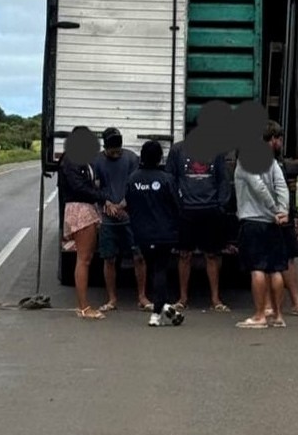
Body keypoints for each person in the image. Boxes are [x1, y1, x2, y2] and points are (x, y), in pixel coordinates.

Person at [233, 129, 291, 328]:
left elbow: (257, 187)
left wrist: (274, 209)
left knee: (256, 268)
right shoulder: (272, 162)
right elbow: (282, 186)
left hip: (253, 221)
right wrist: (283, 210)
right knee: (275, 269)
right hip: (273, 223)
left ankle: (259, 316)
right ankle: (277, 315)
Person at [165, 140, 232, 312]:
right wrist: (177, 203)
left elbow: (223, 179)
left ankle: (216, 299)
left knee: (211, 255)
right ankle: (182, 298)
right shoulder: (178, 150)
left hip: (210, 209)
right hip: (186, 210)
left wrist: (220, 205)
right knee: (184, 254)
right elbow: (170, 177)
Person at [125, 141, 185, 327]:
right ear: (160, 157)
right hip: (165, 233)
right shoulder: (167, 179)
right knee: (160, 270)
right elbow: (177, 205)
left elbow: (129, 204)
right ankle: (156, 313)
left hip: (142, 233)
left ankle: (165, 308)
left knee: (154, 270)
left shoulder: (133, 179)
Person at [92, 127, 152, 312]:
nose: (116, 153)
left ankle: (142, 296)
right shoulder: (97, 161)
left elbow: (136, 183)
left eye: (118, 150)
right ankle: (112, 299)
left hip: (130, 216)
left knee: (139, 256)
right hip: (108, 217)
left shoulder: (132, 159)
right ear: (105, 147)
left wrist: (124, 203)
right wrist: (106, 202)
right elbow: (94, 187)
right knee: (109, 258)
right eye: (112, 151)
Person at [58, 126, 110, 320]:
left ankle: (83, 304)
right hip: (80, 208)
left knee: (85, 258)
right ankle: (83, 306)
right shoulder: (71, 160)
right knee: (84, 259)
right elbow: (79, 187)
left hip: (84, 207)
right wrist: (102, 197)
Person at [263, 122, 298, 318]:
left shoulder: (280, 162)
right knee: (266, 261)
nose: (281, 143)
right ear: (273, 139)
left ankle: (296, 303)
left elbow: (286, 190)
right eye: (280, 139)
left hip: (284, 216)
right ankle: (267, 304)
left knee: (289, 258)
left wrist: (293, 212)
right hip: (267, 215)